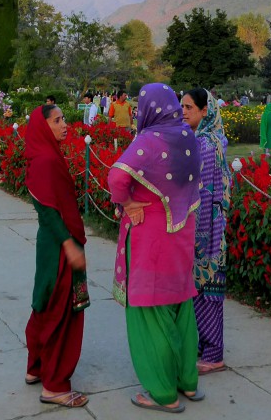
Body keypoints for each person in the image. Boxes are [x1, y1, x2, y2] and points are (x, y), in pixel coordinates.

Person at [108, 83, 202, 412]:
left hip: (151, 236)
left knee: (150, 309)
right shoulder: (188, 135)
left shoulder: (148, 140)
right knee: (180, 305)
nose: (136, 111)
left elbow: (116, 177)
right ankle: (187, 383)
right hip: (183, 235)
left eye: (139, 106)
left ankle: (162, 393)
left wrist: (129, 202)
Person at [23, 104, 90, 409]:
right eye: (58, 120)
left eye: (64, 119)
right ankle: (55, 386)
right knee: (62, 311)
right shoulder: (47, 160)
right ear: (43, 127)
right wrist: (69, 245)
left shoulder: (45, 156)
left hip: (51, 245)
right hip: (59, 245)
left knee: (46, 302)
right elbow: (48, 212)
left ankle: (35, 367)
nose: (65, 125)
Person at [181, 88, 231, 376]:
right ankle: (205, 347)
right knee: (198, 289)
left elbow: (202, 190)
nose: (184, 111)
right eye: (182, 107)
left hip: (206, 228)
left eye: (189, 107)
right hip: (203, 225)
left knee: (207, 288)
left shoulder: (205, 144)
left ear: (205, 111)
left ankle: (213, 353)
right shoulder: (206, 139)